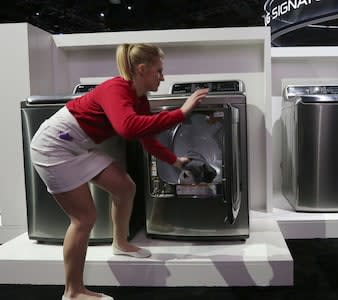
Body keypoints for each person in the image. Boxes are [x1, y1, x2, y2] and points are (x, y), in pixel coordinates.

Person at [29, 43, 208, 300]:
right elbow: (127, 128)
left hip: (78, 145)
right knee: (84, 218)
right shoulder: (116, 88)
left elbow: (146, 138)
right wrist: (181, 112)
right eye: (159, 71)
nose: (163, 77)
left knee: (125, 187)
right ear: (142, 69)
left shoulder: (141, 100)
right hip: (54, 146)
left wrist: (176, 161)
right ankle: (73, 291)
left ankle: (120, 243)